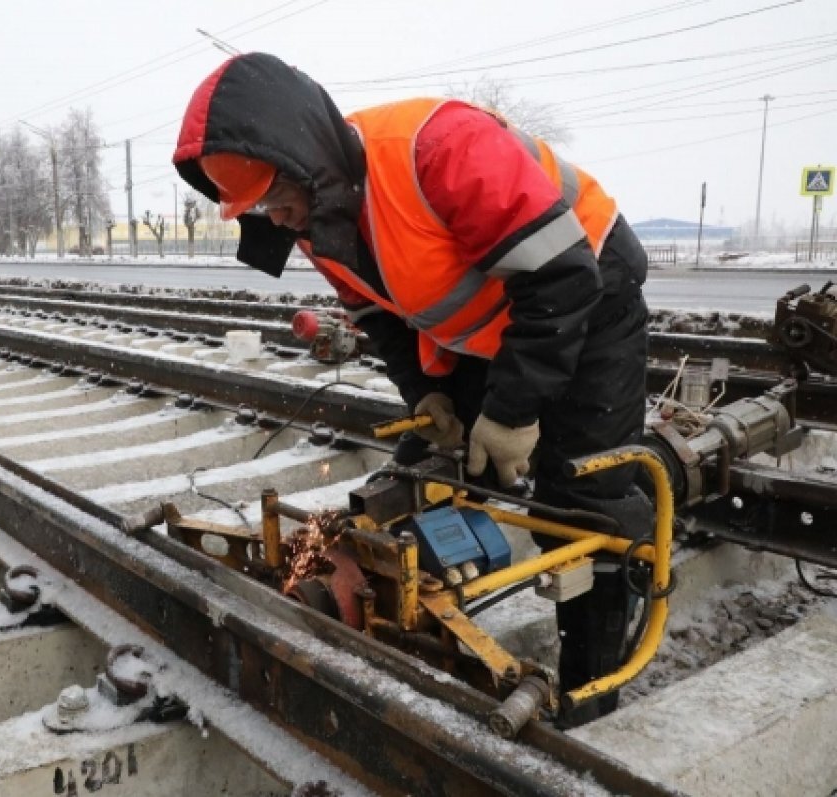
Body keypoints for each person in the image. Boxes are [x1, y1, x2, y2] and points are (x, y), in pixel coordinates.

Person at [173, 53, 651, 727]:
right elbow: (380, 316)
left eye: (281, 202)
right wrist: (428, 395)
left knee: (580, 502)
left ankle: (591, 702)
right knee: (449, 465)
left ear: (307, 158)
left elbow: (562, 278)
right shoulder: (316, 216)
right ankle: (448, 604)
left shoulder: (440, 148)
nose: (280, 223)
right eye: (266, 211)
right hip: (501, 322)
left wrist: (513, 412)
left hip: (589, 289)